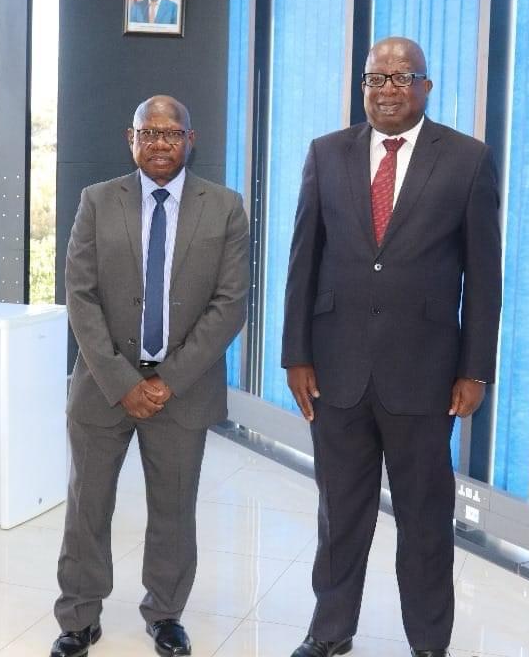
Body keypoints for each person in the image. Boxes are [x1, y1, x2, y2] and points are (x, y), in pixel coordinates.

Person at [281, 37, 502, 657]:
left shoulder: (467, 159)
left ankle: (429, 642)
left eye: (402, 78)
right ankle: (330, 632)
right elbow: (303, 260)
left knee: (425, 519)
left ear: (425, 87)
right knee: (339, 515)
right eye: (376, 79)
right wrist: (296, 354)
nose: (387, 90)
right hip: (336, 370)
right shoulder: (326, 153)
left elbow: (485, 277)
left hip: (425, 375)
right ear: (363, 87)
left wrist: (475, 370)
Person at [51, 95, 249, 657]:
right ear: (131, 138)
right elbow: (80, 296)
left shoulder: (225, 207)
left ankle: (165, 614)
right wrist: (123, 383)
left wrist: (166, 381)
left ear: (191, 139)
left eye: (172, 133)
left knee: (173, 509)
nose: (160, 143)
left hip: (183, 390)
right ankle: (79, 618)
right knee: (87, 506)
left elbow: (229, 305)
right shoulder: (96, 201)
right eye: (149, 133)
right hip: (102, 385)